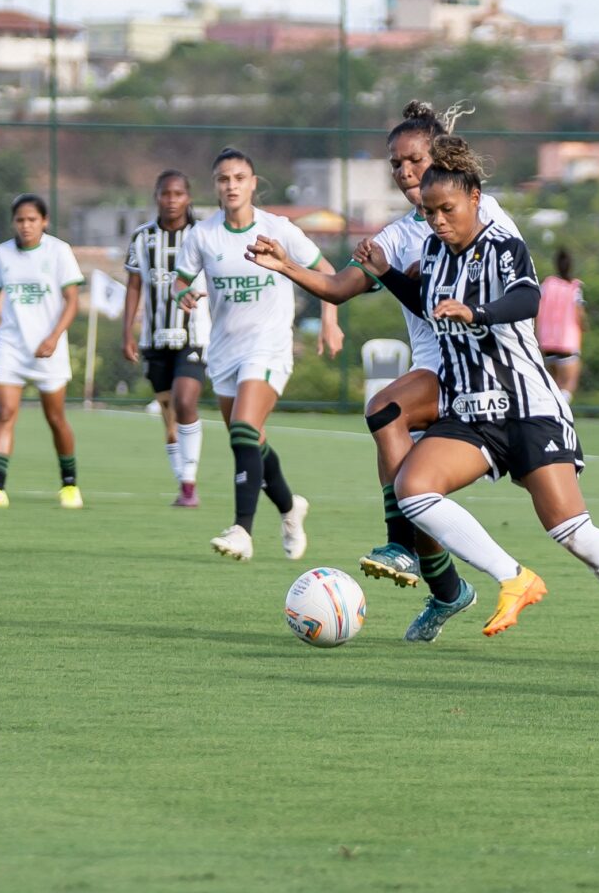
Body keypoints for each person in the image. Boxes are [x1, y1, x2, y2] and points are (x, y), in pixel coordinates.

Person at [356, 134, 599, 656]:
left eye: (447, 209)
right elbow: (425, 303)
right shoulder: (437, 252)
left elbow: (527, 297)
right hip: (472, 412)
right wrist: (387, 273)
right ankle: (513, 577)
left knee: (572, 531)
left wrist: (477, 312)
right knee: (412, 489)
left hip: (528, 409)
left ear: (474, 199)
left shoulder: (502, 244)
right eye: (430, 211)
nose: (438, 220)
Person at [245, 100, 536, 621]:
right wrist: (285, 264)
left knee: (387, 411)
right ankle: (448, 591)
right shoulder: (402, 232)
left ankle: (400, 541)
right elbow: (337, 288)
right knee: (416, 494)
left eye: (414, 160)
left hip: (488, 372)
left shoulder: (479, 211)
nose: (404, 172)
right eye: (396, 164)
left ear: (442, 156)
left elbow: (509, 285)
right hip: (438, 368)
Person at [174, 147, 343, 562]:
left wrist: (329, 320)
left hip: (269, 348)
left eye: (239, 177)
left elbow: (327, 274)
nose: (231, 185)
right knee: (251, 440)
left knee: (244, 430)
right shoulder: (203, 235)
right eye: (223, 179)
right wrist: (186, 294)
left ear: (253, 183)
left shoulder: (278, 229)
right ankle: (290, 509)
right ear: (215, 186)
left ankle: (242, 531)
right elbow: (180, 281)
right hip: (224, 352)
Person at [0, 193, 86, 509]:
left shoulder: (59, 251)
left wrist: (54, 336)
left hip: (49, 350)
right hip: (11, 347)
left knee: (56, 418)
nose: (26, 225)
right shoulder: (2, 254)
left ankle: (70, 485)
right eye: (20, 220)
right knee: (5, 414)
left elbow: (73, 301)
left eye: (32, 219)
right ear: (13, 223)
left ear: (44, 221)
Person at [122, 170, 211, 506]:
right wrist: (126, 331)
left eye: (178, 194)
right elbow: (133, 285)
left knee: (186, 400)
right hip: (154, 338)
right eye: (165, 194)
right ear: (156, 197)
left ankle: (189, 483)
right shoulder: (142, 238)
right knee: (168, 412)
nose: (171, 200)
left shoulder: (202, 235)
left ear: (188, 197)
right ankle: (183, 484)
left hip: (194, 336)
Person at [536, 248, 586, 402]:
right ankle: (561, 412)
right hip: (567, 342)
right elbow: (579, 313)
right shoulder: (574, 288)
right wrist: (584, 325)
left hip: (547, 342)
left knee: (554, 385)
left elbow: (536, 309)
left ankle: (552, 413)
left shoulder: (546, 285)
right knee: (569, 383)